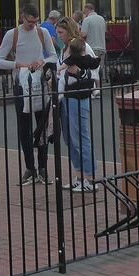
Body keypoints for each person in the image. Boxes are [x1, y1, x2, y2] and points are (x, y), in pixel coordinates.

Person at [0, 4, 57, 185]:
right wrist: (18, 64)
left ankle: (43, 168)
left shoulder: (42, 32)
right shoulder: (12, 34)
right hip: (21, 84)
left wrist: (42, 60)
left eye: (36, 22)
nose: (33, 25)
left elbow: (53, 56)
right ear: (22, 17)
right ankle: (30, 168)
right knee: (24, 128)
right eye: (30, 22)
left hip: (40, 83)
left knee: (42, 126)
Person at [56, 21, 98, 192]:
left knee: (81, 136)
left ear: (68, 31)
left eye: (60, 32)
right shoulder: (64, 48)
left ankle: (90, 178)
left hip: (79, 95)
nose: (58, 35)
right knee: (70, 138)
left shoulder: (82, 46)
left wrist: (79, 73)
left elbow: (94, 70)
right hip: (65, 95)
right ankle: (79, 175)